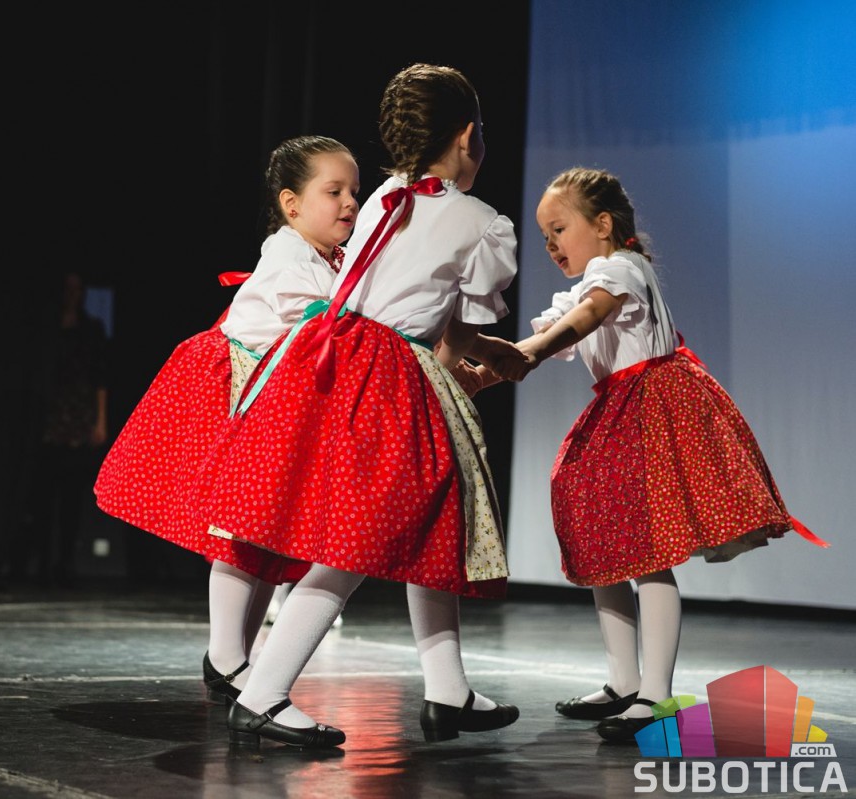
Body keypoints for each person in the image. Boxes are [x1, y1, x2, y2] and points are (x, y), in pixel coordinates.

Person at [193, 63, 527, 749]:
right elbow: (454, 331)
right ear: (467, 138)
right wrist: (479, 360)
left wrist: (469, 351)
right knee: (356, 543)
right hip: (390, 374)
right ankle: (262, 694)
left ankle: (448, 688)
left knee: (427, 518)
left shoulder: (386, 195)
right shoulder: (482, 223)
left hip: (334, 355)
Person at [488, 166, 827, 743]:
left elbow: (583, 320)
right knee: (605, 535)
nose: (550, 245)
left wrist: (536, 351)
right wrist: (482, 373)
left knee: (648, 551)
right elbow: (551, 330)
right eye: (544, 235)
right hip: (622, 407)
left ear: (602, 224)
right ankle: (624, 681)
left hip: (653, 406)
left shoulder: (621, 268)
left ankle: (656, 693)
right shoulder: (588, 283)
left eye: (559, 229)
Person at [95, 135, 360, 705]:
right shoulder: (289, 253)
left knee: (263, 534)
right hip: (233, 389)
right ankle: (225, 655)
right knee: (238, 528)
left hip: (269, 398)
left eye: (354, 193)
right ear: (292, 204)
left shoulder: (328, 258)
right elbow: (325, 321)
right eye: (334, 191)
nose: (349, 203)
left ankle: (235, 656)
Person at [14, 270, 109, 586]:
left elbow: (100, 378)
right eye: (67, 288)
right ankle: (40, 563)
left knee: (72, 498)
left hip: (78, 417)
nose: (72, 294)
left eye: (77, 289)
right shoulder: (46, 328)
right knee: (42, 497)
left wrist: (100, 421)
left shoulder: (92, 329)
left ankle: (65, 564)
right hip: (48, 417)